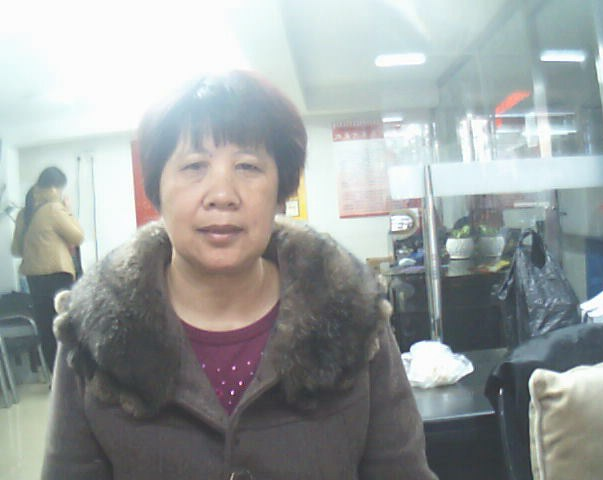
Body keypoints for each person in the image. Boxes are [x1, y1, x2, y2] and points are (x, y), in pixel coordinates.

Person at [42, 71, 438, 479]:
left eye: (248, 166)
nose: (222, 195)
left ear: (280, 190)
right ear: (157, 188)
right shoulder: (94, 332)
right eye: (194, 166)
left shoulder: (351, 314)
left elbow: (402, 470)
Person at [11, 166, 84, 372]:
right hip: (57, 276)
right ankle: (72, 376)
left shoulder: (24, 213)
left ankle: (55, 376)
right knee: (66, 326)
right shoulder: (54, 209)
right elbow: (78, 236)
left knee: (46, 328)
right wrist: (67, 209)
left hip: (34, 278)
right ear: (54, 188)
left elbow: (16, 249)